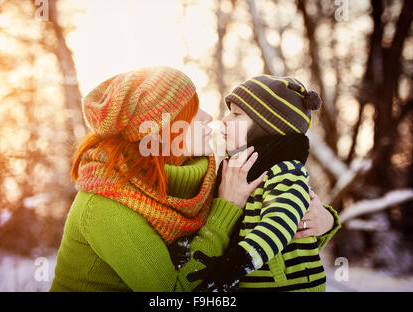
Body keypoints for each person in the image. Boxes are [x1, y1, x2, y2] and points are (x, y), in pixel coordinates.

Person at [50, 66, 337, 292]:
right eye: (192, 112)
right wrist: (227, 208)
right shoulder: (104, 207)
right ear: (162, 132)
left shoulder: (206, 177)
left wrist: (323, 223)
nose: (209, 116)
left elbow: (274, 245)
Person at [187, 75, 341, 292]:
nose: (225, 120)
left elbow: (279, 224)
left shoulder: (286, 173)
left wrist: (233, 267)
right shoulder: (234, 169)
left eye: (237, 114)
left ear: (266, 127)